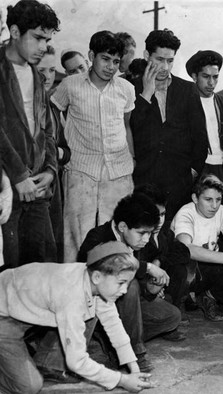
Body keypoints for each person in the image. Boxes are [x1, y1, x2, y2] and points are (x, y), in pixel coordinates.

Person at [0, 241, 154, 393]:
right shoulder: (71, 296)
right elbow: (77, 361)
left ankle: (43, 362)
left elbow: (113, 324)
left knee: (90, 312)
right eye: (121, 283)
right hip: (4, 317)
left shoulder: (94, 276)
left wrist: (134, 368)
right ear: (97, 277)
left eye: (127, 283)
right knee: (29, 386)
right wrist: (122, 380)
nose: (125, 290)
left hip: (23, 308)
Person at [52, 30, 136, 263]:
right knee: (76, 237)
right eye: (105, 59)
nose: (111, 66)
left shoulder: (126, 89)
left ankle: (113, 294)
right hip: (81, 169)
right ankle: (75, 292)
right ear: (91, 55)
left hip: (118, 171)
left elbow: (127, 125)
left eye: (116, 61)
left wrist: (132, 159)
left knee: (117, 236)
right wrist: (60, 147)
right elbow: (51, 116)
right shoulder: (70, 85)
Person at [78, 193, 179, 372]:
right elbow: (99, 268)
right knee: (129, 285)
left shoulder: (137, 240)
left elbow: (140, 289)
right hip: (94, 306)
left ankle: (110, 342)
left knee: (171, 316)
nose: (147, 239)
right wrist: (147, 267)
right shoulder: (98, 236)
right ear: (123, 226)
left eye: (150, 233)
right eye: (142, 233)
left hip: (124, 307)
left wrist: (151, 288)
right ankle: (134, 352)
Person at [0, 0, 59, 268]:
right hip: (7, 188)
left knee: (42, 269)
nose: (43, 46)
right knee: (8, 274)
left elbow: (45, 130)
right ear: (14, 31)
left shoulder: (36, 75)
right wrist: (18, 174)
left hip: (36, 190)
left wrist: (50, 169)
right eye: (37, 38)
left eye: (46, 39)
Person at [130, 29, 208, 222]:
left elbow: (200, 136)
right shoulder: (130, 88)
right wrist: (146, 95)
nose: (165, 67)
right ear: (147, 55)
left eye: (170, 60)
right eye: (160, 59)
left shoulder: (188, 90)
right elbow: (131, 129)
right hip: (143, 181)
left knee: (174, 240)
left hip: (179, 183)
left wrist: (192, 173)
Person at [171, 174, 223, 322]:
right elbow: (187, 249)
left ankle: (209, 297)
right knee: (185, 266)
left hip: (209, 266)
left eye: (218, 199)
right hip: (183, 268)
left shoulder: (222, 211)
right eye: (208, 199)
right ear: (195, 198)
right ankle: (179, 301)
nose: (214, 205)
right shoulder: (186, 212)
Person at [134, 183, 191, 321]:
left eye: (163, 214)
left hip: (160, 286)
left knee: (180, 269)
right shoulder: (136, 236)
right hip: (140, 293)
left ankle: (172, 310)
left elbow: (183, 252)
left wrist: (158, 261)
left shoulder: (165, 232)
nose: (159, 221)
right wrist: (150, 284)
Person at [37, 45, 71, 263]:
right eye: (41, 70)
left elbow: (67, 151)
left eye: (51, 70)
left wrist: (57, 152)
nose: (47, 76)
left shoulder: (52, 107)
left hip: (52, 186)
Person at [186, 50, 223, 191]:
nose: (211, 83)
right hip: (199, 169)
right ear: (195, 76)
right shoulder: (186, 103)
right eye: (206, 76)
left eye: (215, 77)